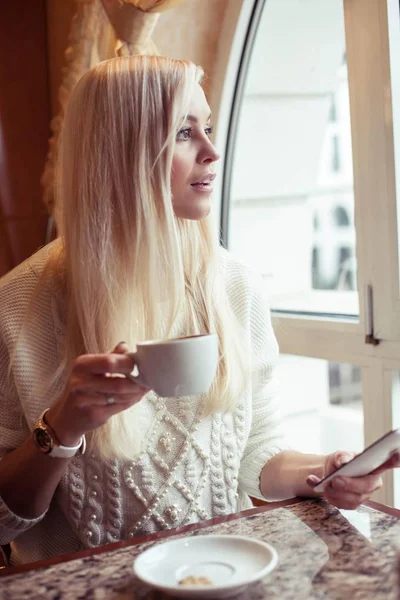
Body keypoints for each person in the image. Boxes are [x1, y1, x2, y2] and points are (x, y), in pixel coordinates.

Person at [0, 55, 397, 567]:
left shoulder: (235, 285)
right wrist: (61, 428)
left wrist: (321, 470)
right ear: (120, 152)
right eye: (185, 133)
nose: (212, 151)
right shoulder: (18, 305)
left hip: (218, 575)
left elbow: (259, 453)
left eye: (207, 127)